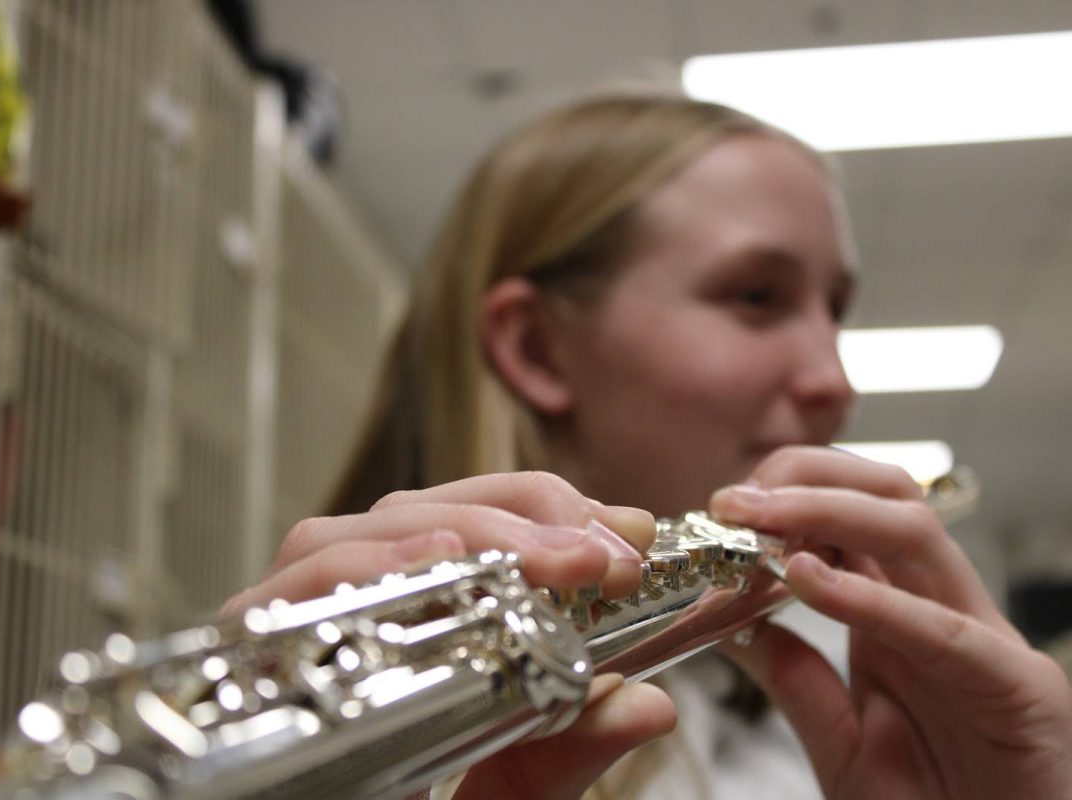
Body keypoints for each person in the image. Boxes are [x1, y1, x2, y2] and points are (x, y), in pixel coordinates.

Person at [223, 90, 1072, 799]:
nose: (835, 382)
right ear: (536, 349)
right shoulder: (301, 710)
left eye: (834, 310)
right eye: (755, 295)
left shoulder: (838, 731)